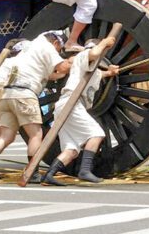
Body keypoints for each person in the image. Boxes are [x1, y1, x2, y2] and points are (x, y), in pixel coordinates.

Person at [0, 30, 70, 182]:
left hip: (7, 95)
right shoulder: (46, 47)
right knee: (36, 134)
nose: (58, 52)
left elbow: (52, 74)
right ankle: (32, 171)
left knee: (6, 135)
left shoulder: (28, 49)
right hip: (25, 95)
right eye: (59, 49)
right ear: (56, 43)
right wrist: (78, 60)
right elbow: (62, 68)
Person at [41, 35, 120, 186]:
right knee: (97, 134)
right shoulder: (83, 56)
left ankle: (49, 174)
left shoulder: (92, 69)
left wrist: (110, 72)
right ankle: (85, 170)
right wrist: (105, 42)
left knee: (72, 149)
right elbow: (93, 54)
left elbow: (100, 74)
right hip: (72, 103)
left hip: (67, 106)